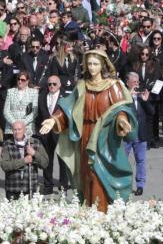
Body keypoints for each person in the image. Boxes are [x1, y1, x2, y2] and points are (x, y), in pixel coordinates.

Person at [39, 50, 136, 211]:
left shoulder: (113, 85)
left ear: (103, 65)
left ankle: (101, 209)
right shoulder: (82, 85)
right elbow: (69, 107)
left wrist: (122, 120)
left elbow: (120, 108)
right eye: (89, 63)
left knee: (99, 173)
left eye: (95, 64)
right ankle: (88, 207)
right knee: (86, 173)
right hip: (85, 133)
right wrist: (54, 119)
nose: (91, 67)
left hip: (104, 136)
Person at [0, 120, 48, 200]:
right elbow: (4, 166)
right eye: (15, 130)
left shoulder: (35, 143)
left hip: (30, 188)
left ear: (24, 130)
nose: (17, 132)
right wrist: (24, 161)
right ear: (12, 131)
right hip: (13, 188)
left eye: (19, 129)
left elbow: (45, 163)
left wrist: (34, 153)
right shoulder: (7, 144)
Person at [124, 72, 155, 195]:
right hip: (126, 134)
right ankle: (124, 183)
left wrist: (146, 101)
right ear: (128, 83)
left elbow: (152, 112)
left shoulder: (142, 95)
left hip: (141, 133)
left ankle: (140, 185)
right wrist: (128, 98)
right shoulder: (123, 95)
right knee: (123, 160)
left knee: (141, 160)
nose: (137, 85)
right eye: (134, 82)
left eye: (138, 82)